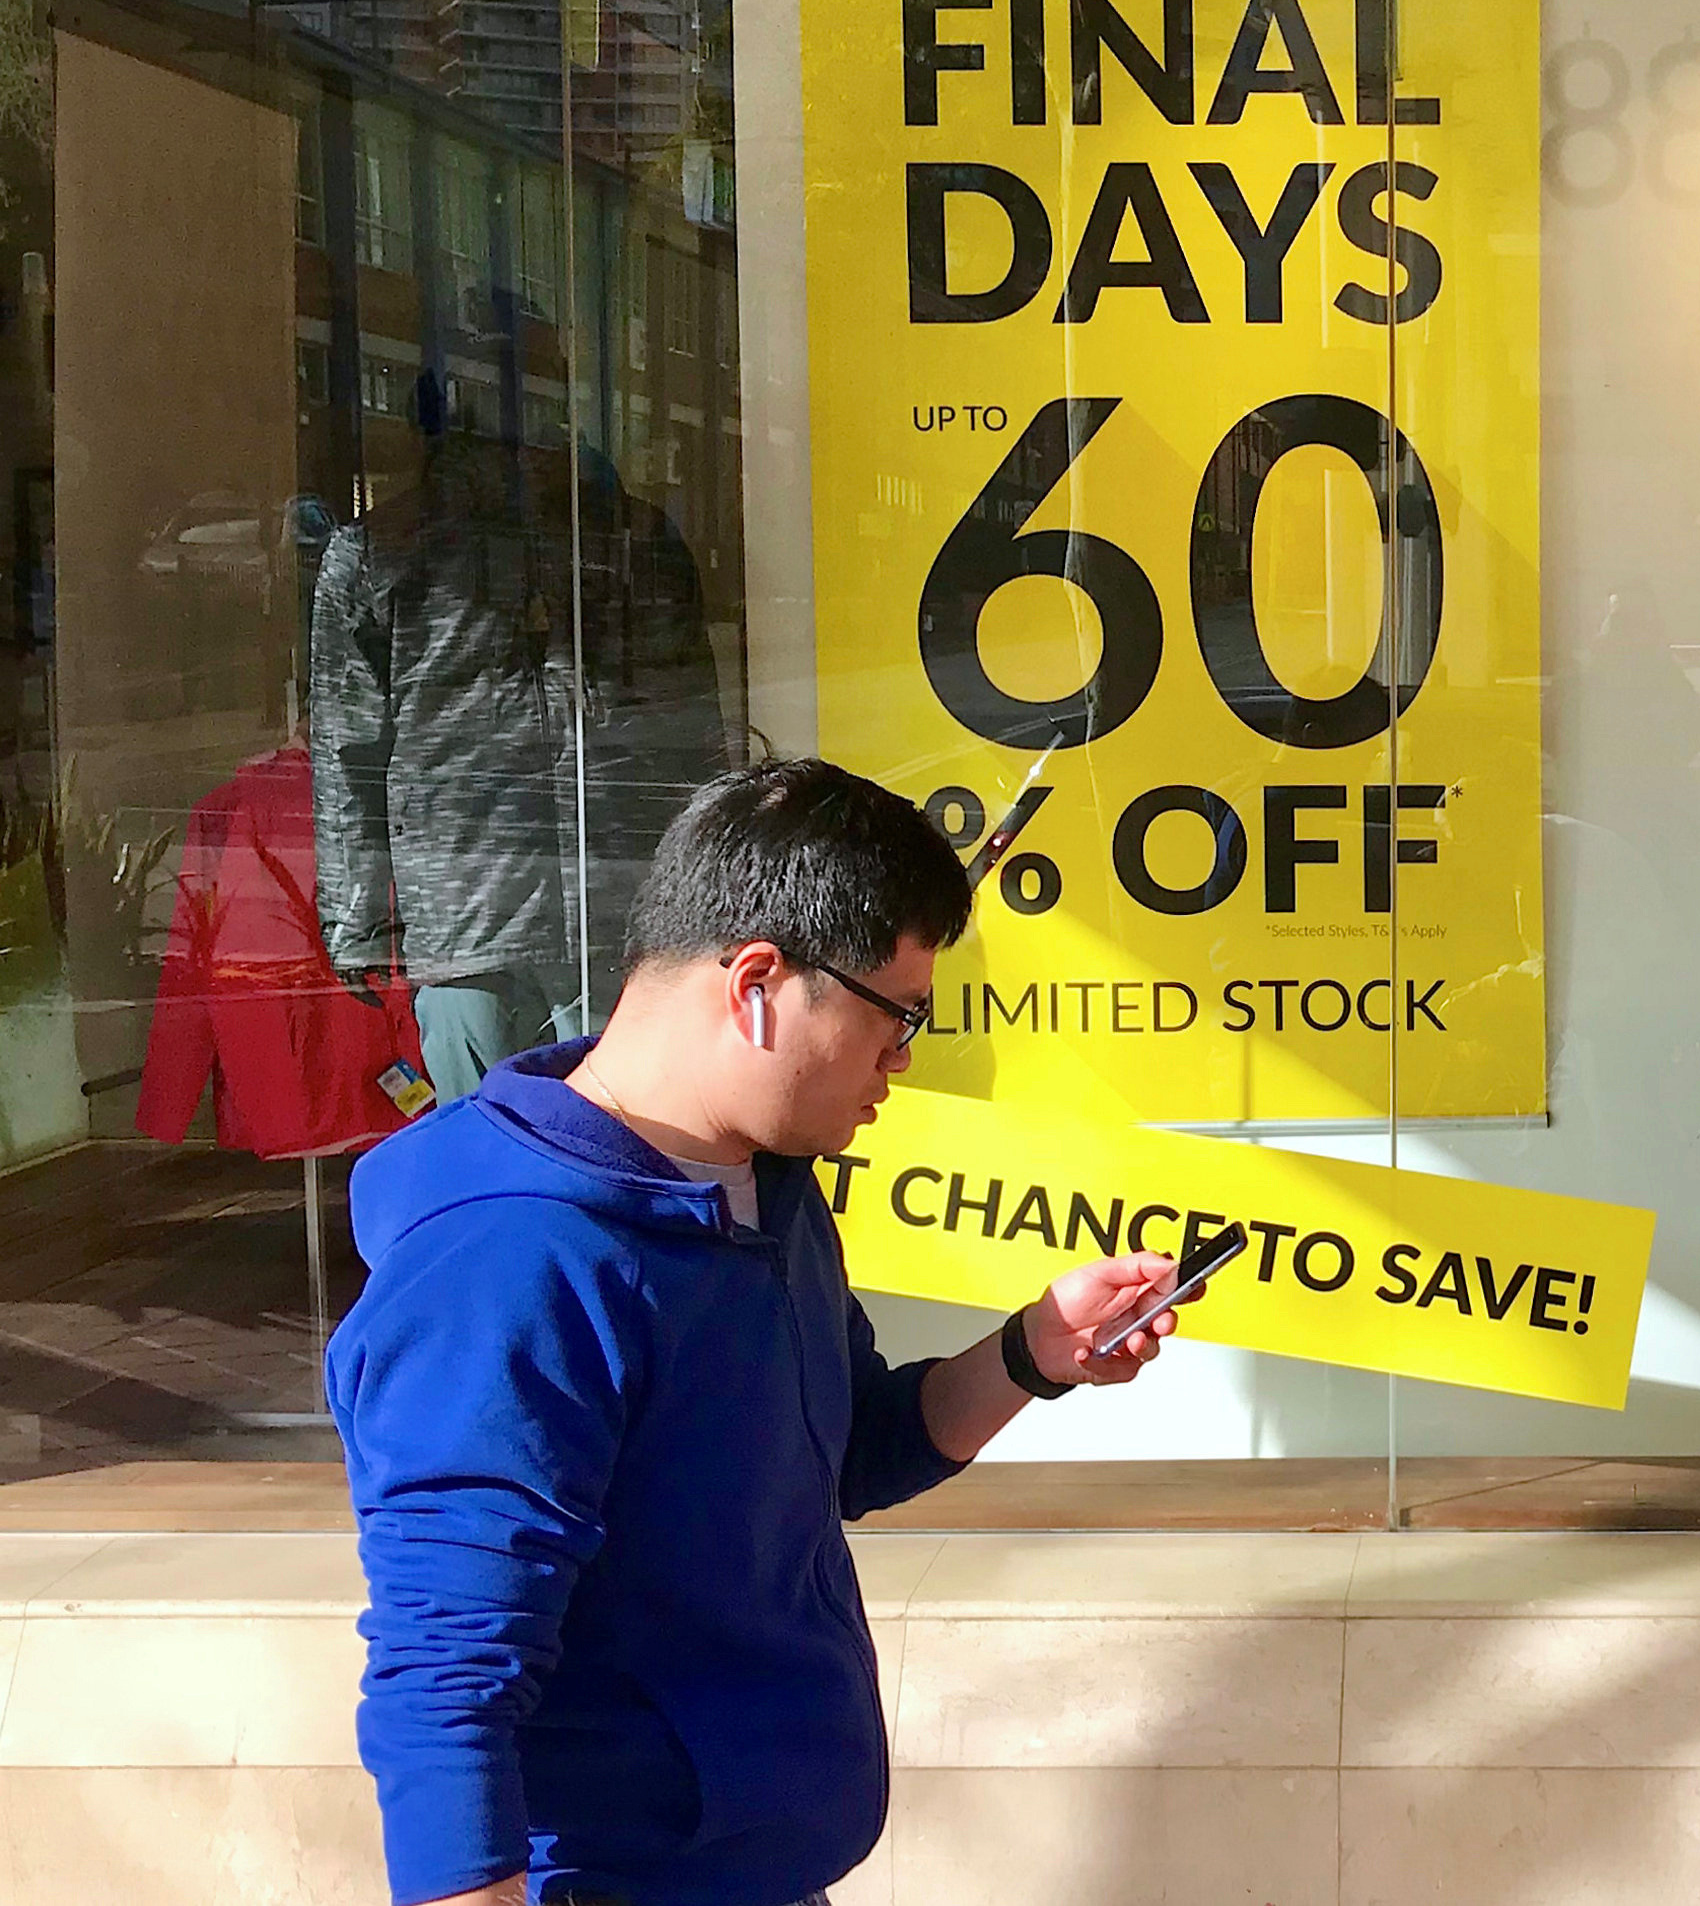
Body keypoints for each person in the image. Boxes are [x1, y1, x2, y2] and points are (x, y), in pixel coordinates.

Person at [328, 759, 1193, 1906]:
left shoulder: (765, 1180)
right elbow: (445, 1681)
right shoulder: (510, 1262)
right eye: (899, 1020)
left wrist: (1035, 1349)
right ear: (756, 982)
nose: (906, 1060)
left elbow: (843, 1452)